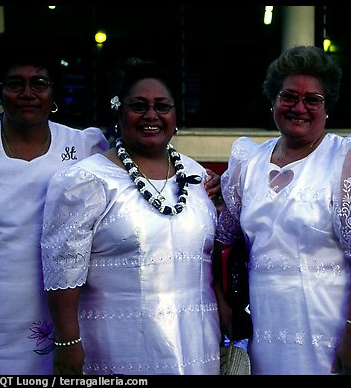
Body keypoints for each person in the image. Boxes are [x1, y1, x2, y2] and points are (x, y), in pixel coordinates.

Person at [212, 45, 351, 375]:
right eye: (289, 97)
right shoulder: (248, 164)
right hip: (267, 332)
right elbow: (224, 241)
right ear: (273, 100)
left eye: (313, 99)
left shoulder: (349, 161)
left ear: (327, 108)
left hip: (331, 334)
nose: (300, 107)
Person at [40, 59, 222, 375]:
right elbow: (62, 273)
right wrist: (67, 343)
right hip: (118, 349)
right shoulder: (84, 181)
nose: (151, 115)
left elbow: (208, 258)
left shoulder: (196, 176)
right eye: (139, 105)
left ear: (175, 114)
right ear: (120, 112)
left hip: (197, 344)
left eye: (162, 106)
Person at [0, 32, 110, 374]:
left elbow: (131, 181)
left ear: (53, 89)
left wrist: (193, 180)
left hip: (66, 327)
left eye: (39, 83)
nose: (28, 94)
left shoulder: (85, 146)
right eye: (15, 84)